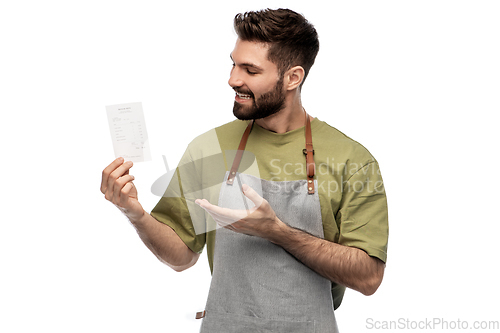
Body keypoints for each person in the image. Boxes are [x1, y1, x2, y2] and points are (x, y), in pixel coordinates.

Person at [101, 8, 388, 332]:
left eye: (250, 70)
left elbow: (368, 277)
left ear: (293, 77)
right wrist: (135, 213)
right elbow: (181, 255)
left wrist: (277, 232)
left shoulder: (350, 160)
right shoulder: (209, 147)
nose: (233, 79)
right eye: (234, 64)